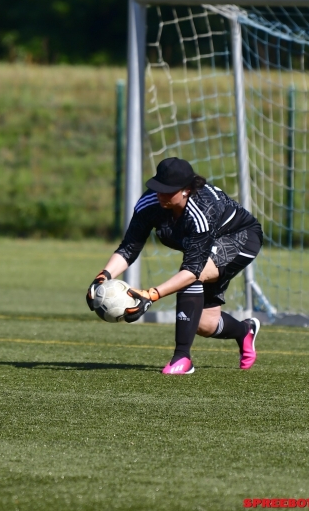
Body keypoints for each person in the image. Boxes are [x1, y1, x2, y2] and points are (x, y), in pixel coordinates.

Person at [87, 157, 262, 375]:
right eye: (158, 188)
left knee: (192, 276)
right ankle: (245, 330)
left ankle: (182, 358)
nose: (160, 194)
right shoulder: (150, 204)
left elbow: (191, 272)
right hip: (207, 248)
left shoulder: (203, 210)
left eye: (168, 190)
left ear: (186, 190)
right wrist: (103, 275)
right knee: (204, 325)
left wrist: (151, 295)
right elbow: (129, 248)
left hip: (240, 238)